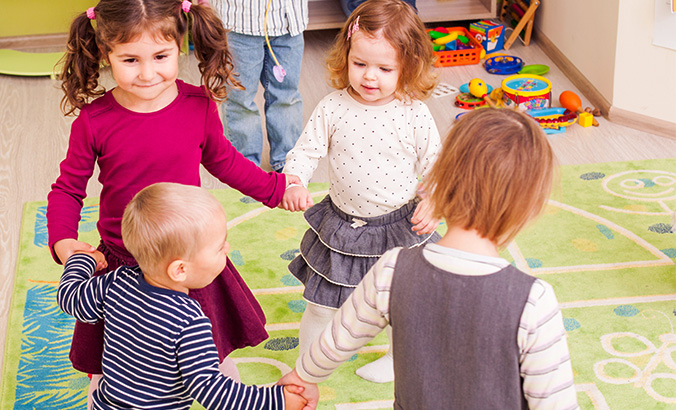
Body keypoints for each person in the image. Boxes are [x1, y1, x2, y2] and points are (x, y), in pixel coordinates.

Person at [47, 0, 302, 406]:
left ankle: (219, 384)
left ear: (179, 48)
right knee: (119, 348)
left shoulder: (197, 104)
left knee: (206, 343)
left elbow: (225, 162)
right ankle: (110, 390)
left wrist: (276, 189)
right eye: (130, 59)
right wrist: (63, 242)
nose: (148, 73)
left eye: (161, 56)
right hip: (123, 259)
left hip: (189, 251)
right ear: (106, 54)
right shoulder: (94, 120)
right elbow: (67, 189)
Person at [279, 108, 580, 409]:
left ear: (439, 180)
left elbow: (340, 336)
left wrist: (303, 377)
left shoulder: (393, 269)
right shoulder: (534, 300)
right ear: (528, 208)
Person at [280, 0, 441, 384]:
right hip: (342, 226)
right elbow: (305, 151)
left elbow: (437, 166)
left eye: (385, 68)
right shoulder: (332, 106)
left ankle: (396, 359)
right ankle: (308, 365)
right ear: (346, 56)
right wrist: (294, 180)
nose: (370, 77)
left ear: (408, 66)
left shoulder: (413, 112)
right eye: (360, 64)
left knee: (400, 304)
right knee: (320, 303)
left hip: (400, 227)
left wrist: (435, 200)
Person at [57, 183, 317, 410]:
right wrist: (276, 401)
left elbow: (69, 296)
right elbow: (212, 391)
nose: (227, 248)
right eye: (219, 247)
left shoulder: (116, 282)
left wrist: (81, 260)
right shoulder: (189, 321)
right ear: (180, 269)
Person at [201, 0, 307, 172]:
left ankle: (288, 164)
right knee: (239, 99)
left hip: (290, 20)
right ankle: (246, 168)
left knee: (287, 97)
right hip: (239, 21)